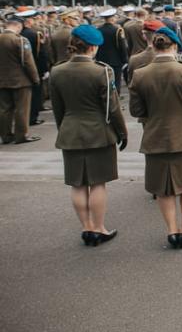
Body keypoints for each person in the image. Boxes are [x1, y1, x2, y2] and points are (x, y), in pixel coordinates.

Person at [50, 25, 128, 246]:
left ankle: (86, 227)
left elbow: (58, 108)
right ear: (93, 47)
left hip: (70, 131)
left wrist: (63, 129)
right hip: (98, 133)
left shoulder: (57, 71)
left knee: (78, 184)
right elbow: (112, 108)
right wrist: (122, 132)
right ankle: (99, 228)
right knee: (98, 183)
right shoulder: (102, 71)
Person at [130, 27, 182, 248]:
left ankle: (172, 231)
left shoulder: (140, 73)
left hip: (154, 136)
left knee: (163, 188)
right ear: (175, 46)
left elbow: (136, 110)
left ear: (153, 46)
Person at [0, 14, 41, 144]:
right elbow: (28, 62)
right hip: (21, 81)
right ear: (18, 26)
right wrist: (35, 79)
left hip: (2, 80)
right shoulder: (20, 40)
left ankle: (6, 136)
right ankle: (21, 135)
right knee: (22, 109)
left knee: (4, 109)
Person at [96, 8, 129, 94]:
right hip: (115, 60)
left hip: (101, 60)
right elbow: (122, 46)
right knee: (115, 83)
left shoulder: (98, 30)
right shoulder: (117, 30)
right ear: (112, 18)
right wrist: (125, 60)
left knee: (104, 82)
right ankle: (116, 101)